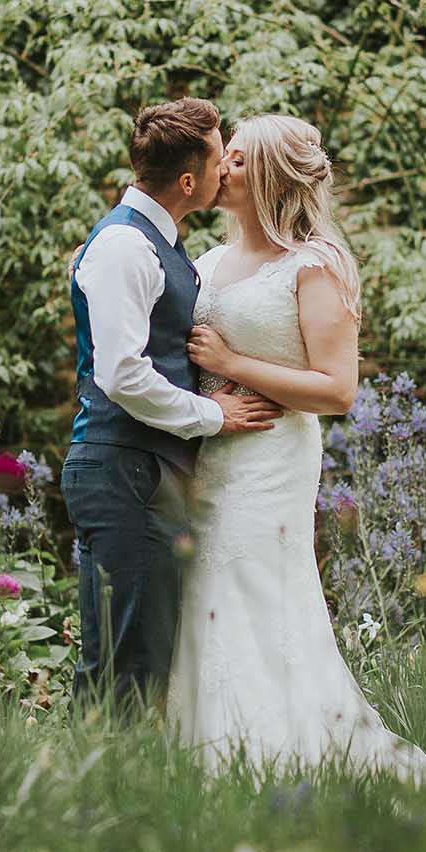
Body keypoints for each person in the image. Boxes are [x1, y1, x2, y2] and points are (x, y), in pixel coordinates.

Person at [166, 113, 426, 800]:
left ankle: (284, 762)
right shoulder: (203, 264)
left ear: (267, 173)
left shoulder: (316, 264)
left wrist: (235, 362)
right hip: (209, 456)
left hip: (271, 460)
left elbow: (338, 388)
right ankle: (204, 761)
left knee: (258, 595)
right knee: (201, 599)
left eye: (235, 158)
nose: (219, 167)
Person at [61, 97, 281, 715]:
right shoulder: (124, 249)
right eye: (220, 160)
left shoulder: (163, 245)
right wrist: (217, 416)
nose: (226, 171)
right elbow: (123, 374)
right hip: (123, 469)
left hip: (144, 470)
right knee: (124, 662)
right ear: (189, 180)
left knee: (144, 653)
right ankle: (92, 798)